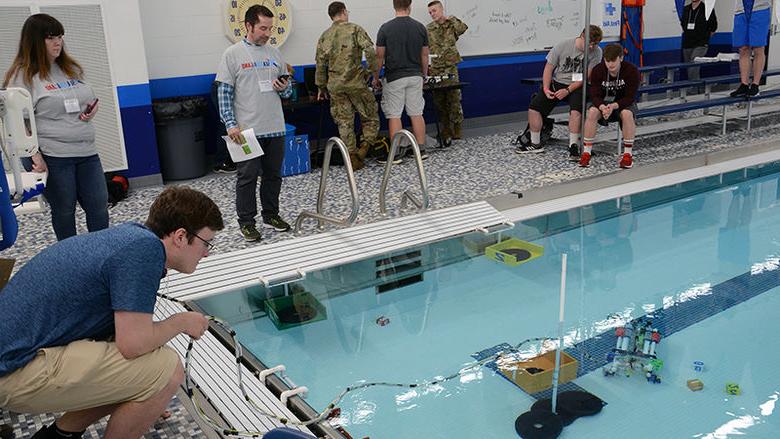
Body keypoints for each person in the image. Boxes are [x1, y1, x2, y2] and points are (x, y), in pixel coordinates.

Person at [0, 186, 224, 439]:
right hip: (13, 373)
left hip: (12, 356)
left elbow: (119, 339)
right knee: (167, 370)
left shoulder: (131, 237)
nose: (206, 253)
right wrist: (181, 322)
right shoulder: (144, 253)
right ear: (181, 236)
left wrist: (144, 395)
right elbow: (133, 345)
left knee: (143, 372)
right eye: (207, 243)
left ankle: (61, 435)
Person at [2, 13, 109, 241]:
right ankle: (71, 262)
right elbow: (17, 124)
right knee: (64, 212)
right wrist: (34, 156)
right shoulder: (23, 77)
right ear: (34, 41)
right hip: (55, 156)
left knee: (99, 208)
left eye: (59, 36)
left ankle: (102, 256)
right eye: (50, 37)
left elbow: (86, 98)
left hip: (87, 151)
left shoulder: (70, 68)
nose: (57, 42)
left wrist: (91, 109)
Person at [216, 5, 293, 242]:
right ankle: (247, 222)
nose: (267, 33)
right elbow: (224, 93)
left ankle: (271, 215)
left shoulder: (275, 53)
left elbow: (288, 91)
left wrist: (285, 88)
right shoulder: (232, 54)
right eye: (262, 28)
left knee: (273, 176)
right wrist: (231, 124)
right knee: (247, 177)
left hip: (275, 127)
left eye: (270, 28)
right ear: (248, 25)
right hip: (246, 131)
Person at [515, 25, 603, 160]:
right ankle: (535, 143)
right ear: (582, 36)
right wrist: (546, 88)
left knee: (576, 112)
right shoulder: (563, 45)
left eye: (595, 44)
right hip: (558, 81)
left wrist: (567, 90)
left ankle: (573, 145)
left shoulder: (597, 52)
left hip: (578, 84)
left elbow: (587, 77)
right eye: (590, 43)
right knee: (534, 108)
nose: (592, 47)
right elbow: (548, 69)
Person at [315, 1, 380, 171]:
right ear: (343, 12)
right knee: (370, 116)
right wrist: (373, 72)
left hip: (335, 86)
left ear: (331, 16)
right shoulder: (355, 29)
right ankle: (363, 150)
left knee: (344, 122)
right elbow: (370, 51)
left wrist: (321, 87)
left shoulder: (324, 35)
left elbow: (320, 64)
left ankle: (352, 158)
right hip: (357, 83)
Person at [374, 0, 430, 163]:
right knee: (416, 112)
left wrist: (376, 77)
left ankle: (396, 153)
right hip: (415, 75)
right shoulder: (420, 27)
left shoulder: (385, 28)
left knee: (394, 114)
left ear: (394, 6)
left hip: (394, 77)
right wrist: (424, 74)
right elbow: (425, 55)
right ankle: (421, 149)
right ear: (409, 6)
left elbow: (379, 56)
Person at [579, 43, 640, 169]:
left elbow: (630, 97)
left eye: (613, 61)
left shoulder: (632, 71)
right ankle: (586, 153)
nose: (610, 65)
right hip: (602, 104)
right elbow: (594, 95)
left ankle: (628, 155)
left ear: (621, 58)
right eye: (607, 61)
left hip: (623, 103)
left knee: (627, 114)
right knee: (592, 112)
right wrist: (602, 107)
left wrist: (614, 106)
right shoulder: (598, 70)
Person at [426, 0, 468, 144]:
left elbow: (463, 28)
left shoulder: (452, 24)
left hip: (450, 66)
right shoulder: (428, 29)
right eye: (430, 12)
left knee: (454, 98)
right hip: (435, 68)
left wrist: (452, 18)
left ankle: (457, 127)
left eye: (434, 11)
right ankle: (445, 128)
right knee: (439, 100)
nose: (432, 14)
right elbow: (424, 49)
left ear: (441, 9)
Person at [730, 0, 771, 97]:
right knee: (743, 48)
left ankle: (755, 85)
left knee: (758, 48)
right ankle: (744, 84)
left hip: (760, 8)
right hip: (741, 10)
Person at [680, 0, 717, 82]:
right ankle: (696, 88)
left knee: (694, 65)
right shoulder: (686, 9)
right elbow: (683, 23)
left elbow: (713, 26)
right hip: (687, 43)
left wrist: (705, 37)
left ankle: (693, 89)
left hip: (701, 43)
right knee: (690, 68)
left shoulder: (707, 9)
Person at [210, 80, 237, 174]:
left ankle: (224, 161)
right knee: (226, 124)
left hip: (225, 84)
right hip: (226, 85)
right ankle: (221, 162)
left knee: (226, 123)